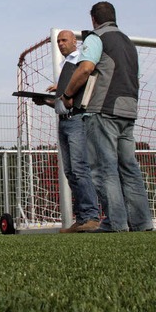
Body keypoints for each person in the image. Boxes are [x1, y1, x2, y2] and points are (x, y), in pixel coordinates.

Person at [62, 1, 153, 232]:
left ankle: (116, 222)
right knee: (129, 168)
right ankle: (142, 223)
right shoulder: (128, 44)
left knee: (104, 168)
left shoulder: (96, 38)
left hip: (104, 110)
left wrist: (68, 93)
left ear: (93, 19)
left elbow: (85, 69)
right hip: (128, 110)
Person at [33, 30, 100, 233]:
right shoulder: (63, 66)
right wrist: (46, 101)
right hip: (63, 120)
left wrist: (65, 93)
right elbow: (63, 101)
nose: (61, 44)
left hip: (77, 119)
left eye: (64, 40)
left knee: (79, 168)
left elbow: (77, 93)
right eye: (58, 41)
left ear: (74, 41)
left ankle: (91, 216)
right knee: (70, 171)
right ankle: (82, 218)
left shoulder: (80, 59)